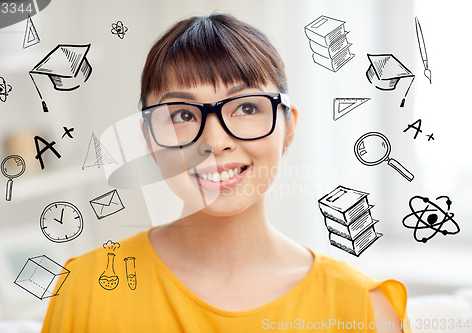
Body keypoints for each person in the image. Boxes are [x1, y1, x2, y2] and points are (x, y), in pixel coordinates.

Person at [42, 13, 410, 332]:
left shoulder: (365, 308)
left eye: (247, 108)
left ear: (288, 127)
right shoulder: (85, 288)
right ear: (149, 140)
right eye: (183, 115)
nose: (215, 141)